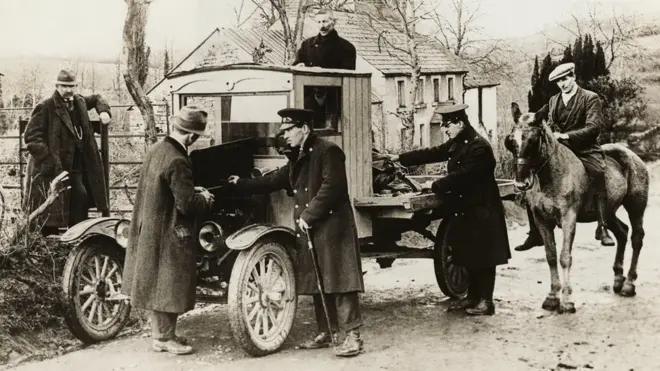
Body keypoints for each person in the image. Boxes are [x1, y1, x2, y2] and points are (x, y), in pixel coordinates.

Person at [228, 108, 365, 357]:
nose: (285, 135)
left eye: (289, 130)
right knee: (318, 280)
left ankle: (353, 336)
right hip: (312, 228)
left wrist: (308, 215)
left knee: (341, 281)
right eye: (283, 131)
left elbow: (332, 186)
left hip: (334, 229)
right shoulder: (297, 158)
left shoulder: (328, 151)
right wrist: (241, 183)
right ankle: (328, 332)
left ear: (304, 128)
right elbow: (273, 181)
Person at [385, 104, 511, 315]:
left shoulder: (479, 147)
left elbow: (463, 176)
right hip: (465, 208)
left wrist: (433, 185)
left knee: (484, 255)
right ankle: (471, 297)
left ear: (459, 123)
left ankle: (486, 302)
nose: (444, 130)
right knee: (467, 252)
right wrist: (401, 158)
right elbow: (434, 152)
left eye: (447, 126)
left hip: (482, 209)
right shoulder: (459, 142)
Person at [123, 105, 215, 355]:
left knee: (157, 282)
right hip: (170, 230)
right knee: (169, 282)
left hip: (150, 226)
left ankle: (162, 335)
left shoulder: (157, 149)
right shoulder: (178, 160)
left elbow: (163, 185)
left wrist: (190, 189)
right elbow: (186, 205)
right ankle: (164, 338)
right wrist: (205, 199)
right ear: (192, 136)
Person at [515, 62, 614, 252]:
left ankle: (602, 226)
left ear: (573, 77)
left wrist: (567, 136)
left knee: (597, 172)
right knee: (533, 176)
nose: (563, 83)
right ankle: (535, 233)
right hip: (559, 149)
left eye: (566, 78)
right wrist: (551, 135)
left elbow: (594, 128)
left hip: (585, 149)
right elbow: (550, 124)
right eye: (559, 81)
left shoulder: (590, 98)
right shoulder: (554, 101)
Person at [24, 69, 112, 234]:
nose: (68, 90)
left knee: (81, 197)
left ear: (76, 86)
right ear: (57, 86)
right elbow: (31, 137)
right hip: (53, 169)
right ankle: (50, 245)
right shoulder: (46, 107)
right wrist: (48, 159)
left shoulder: (80, 102)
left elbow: (98, 98)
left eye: (72, 86)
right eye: (64, 86)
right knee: (51, 210)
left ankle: (76, 238)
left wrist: (104, 111)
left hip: (75, 167)